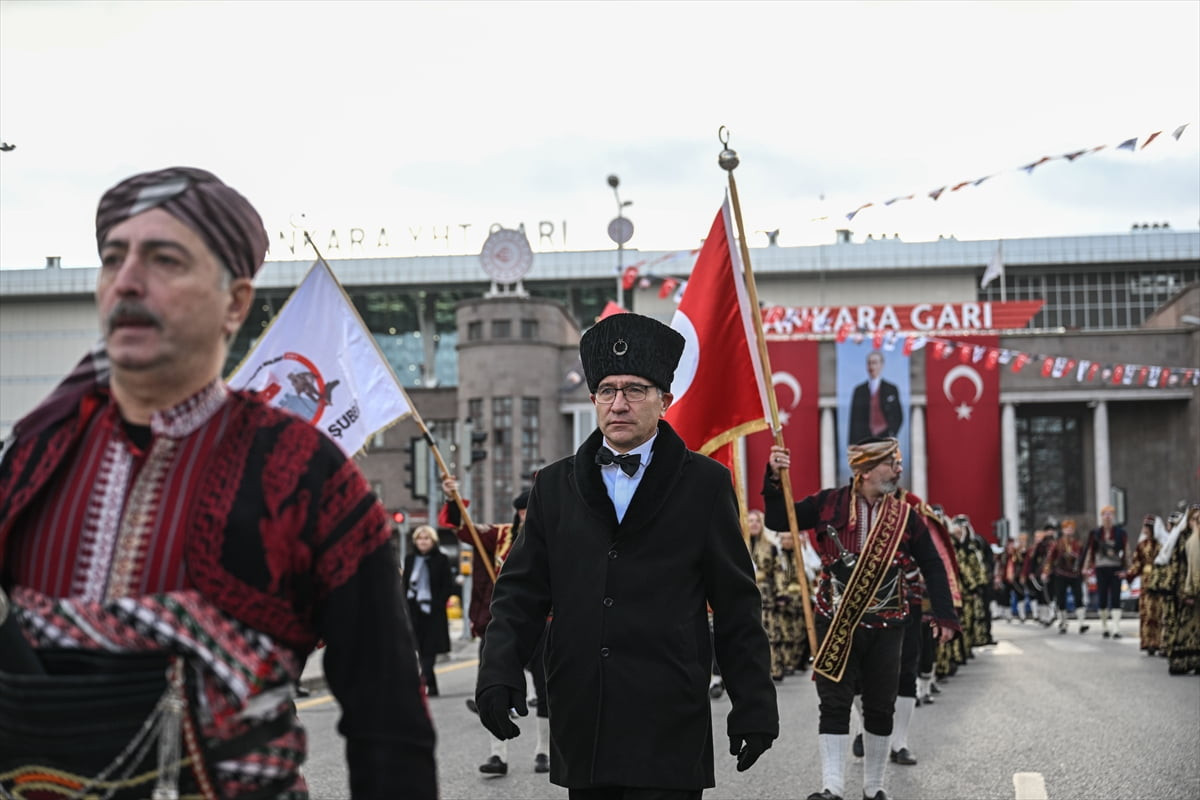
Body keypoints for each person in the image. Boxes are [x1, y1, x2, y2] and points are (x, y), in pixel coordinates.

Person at [0, 167, 435, 799]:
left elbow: (388, 727)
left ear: (235, 301)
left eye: (164, 260)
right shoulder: (33, 460)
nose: (127, 280)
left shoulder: (310, 479)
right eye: (113, 259)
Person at [475, 312, 779, 800]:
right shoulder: (553, 485)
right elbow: (520, 593)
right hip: (583, 715)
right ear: (593, 399)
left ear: (665, 401)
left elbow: (737, 603)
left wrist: (754, 702)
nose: (619, 403)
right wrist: (498, 671)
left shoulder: (705, 484)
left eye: (635, 390)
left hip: (668, 717)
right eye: (607, 390)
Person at [764, 439, 958, 800]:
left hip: (888, 627)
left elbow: (932, 563)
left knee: (880, 706)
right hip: (835, 623)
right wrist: (774, 479)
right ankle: (832, 788)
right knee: (834, 703)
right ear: (865, 470)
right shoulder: (827, 503)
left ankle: (875, 788)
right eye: (891, 463)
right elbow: (779, 518)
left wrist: (945, 614)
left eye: (898, 463)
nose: (899, 470)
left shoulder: (905, 516)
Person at [438, 480, 551, 775]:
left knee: (546, 689)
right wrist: (453, 499)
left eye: (531, 510)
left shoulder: (556, 535)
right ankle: (497, 755)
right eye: (522, 512)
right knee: (493, 687)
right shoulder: (500, 535)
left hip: (546, 623)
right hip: (506, 623)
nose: (527, 516)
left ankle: (544, 751)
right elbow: (466, 531)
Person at [403, 525, 453, 696]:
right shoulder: (410, 559)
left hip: (433, 612)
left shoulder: (441, 559)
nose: (423, 542)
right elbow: (405, 584)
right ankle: (431, 685)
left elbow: (448, 585)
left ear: (433, 541)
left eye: (426, 538)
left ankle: (423, 681)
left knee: (430, 649)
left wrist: (438, 603)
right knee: (419, 648)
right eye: (419, 538)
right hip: (414, 611)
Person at [1080, 505, 1130, 638]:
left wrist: (1129, 568)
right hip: (1101, 568)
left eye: (1110, 514)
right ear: (1101, 517)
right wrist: (1086, 567)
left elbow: (1126, 551)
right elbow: (1090, 551)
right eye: (1105, 514)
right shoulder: (1096, 533)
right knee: (1102, 597)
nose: (1107, 517)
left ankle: (1116, 628)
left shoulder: (1120, 533)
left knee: (1116, 597)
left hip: (1115, 568)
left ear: (1113, 517)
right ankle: (1104, 626)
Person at [848, 351, 903, 448]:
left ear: (881, 365)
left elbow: (898, 415)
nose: (871, 366)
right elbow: (854, 419)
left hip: (885, 438)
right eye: (869, 363)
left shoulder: (891, 389)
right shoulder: (859, 390)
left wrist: (892, 432)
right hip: (865, 440)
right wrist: (853, 444)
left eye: (874, 363)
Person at [1128, 515, 1165, 655]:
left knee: (1158, 611)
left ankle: (1159, 641)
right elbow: (1137, 563)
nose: (1144, 530)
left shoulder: (1160, 545)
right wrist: (1129, 574)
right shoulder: (1141, 545)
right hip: (1145, 581)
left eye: (1147, 528)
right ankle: (1148, 641)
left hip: (1158, 579)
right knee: (1146, 611)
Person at [1043, 519, 1088, 634]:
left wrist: (1085, 569)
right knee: (1060, 598)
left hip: (1075, 574)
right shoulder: (1057, 543)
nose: (1069, 530)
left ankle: (1082, 623)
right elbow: (1050, 559)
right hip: (1060, 574)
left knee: (1079, 597)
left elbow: (1084, 558)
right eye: (1067, 528)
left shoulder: (1078, 544)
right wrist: (1046, 571)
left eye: (1071, 528)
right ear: (1063, 530)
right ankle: (1063, 622)